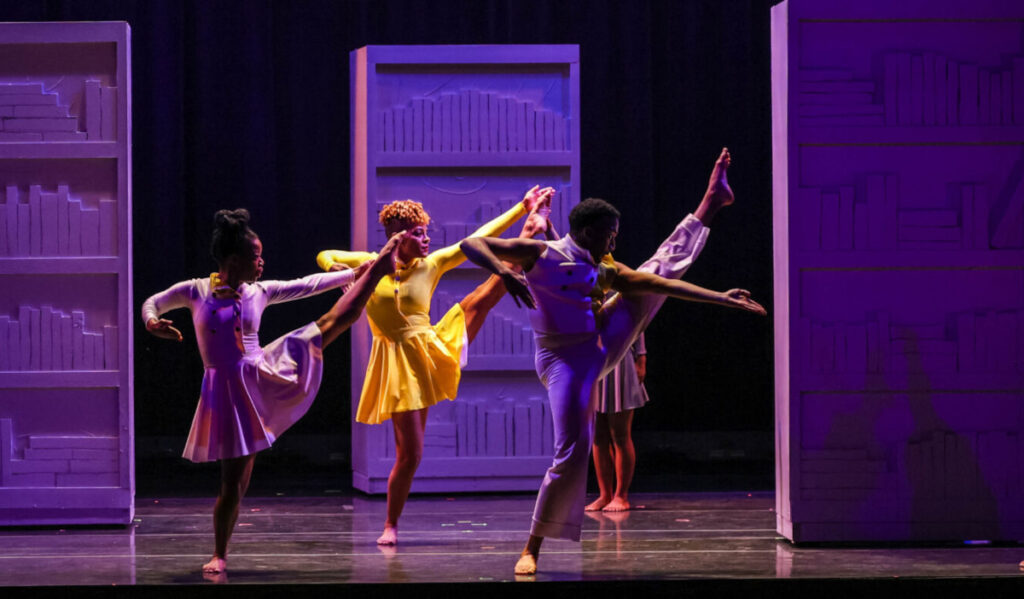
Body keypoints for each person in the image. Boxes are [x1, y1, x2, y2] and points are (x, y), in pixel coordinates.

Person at [459, 148, 767, 575]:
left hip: (599, 341)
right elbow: (470, 244)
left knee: (654, 272)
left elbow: (660, 280)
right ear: (586, 230)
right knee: (572, 450)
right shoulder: (540, 254)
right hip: (564, 361)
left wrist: (721, 299)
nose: (613, 242)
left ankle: (710, 204)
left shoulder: (602, 267)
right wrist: (505, 270)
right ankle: (532, 546)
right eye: (608, 234)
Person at [142, 208, 402, 574]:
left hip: (263, 373)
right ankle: (220, 553)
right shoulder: (196, 290)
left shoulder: (258, 291)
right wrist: (152, 322)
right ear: (233, 260)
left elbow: (308, 284)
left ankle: (378, 270)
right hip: (227, 393)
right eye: (255, 256)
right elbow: (152, 301)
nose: (262, 263)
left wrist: (358, 271)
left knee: (334, 320)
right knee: (233, 484)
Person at [316, 186, 554, 546]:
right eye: (418, 233)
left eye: (427, 232)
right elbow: (323, 254)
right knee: (410, 454)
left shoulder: (433, 263)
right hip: (395, 362)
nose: (426, 239)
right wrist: (337, 268)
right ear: (398, 238)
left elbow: (477, 238)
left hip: (429, 348)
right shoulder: (371, 261)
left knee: (481, 299)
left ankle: (526, 237)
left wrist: (521, 208)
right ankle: (390, 524)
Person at [586, 331, 648, 513]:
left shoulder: (623, 300)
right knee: (598, 436)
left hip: (620, 359)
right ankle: (605, 494)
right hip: (593, 360)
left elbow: (638, 320)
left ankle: (621, 495)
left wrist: (641, 357)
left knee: (620, 434)